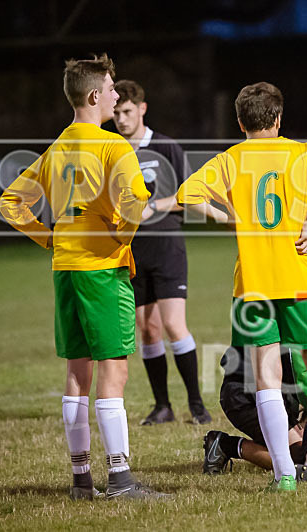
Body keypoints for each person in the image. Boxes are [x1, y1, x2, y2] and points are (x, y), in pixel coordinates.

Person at [177, 82, 307, 489]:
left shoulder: (231, 159)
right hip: (299, 278)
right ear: (279, 118)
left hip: (253, 283)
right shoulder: (303, 154)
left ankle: (285, 475)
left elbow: (187, 194)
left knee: (266, 376)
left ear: (240, 122)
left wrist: (227, 217)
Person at [0, 54, 165, 499]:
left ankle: (80, 480)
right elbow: (134, 203)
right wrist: (122, 236)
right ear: (94, 96)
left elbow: (9, 203)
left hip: (65, 270)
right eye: (111, 89)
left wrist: (47, 237)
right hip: (102, 271)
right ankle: (121, 479)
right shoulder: (113, 147)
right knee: (113, 370)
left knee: (77, 373)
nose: (116, 95)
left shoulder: (56, 147)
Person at [203, 243, 307, 474]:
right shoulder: (299, 301)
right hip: (245, 394)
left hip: (282, 392)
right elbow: (303, 371)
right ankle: (224, 444)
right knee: (302, 456)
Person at [113, 80, 211, 425]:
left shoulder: (166, 147)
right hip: (131, 250)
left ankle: (197, 405)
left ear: (142, 108)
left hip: (167, 245)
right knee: (147, 328)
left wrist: (155, 206)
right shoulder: (112, 151)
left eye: (127, 111)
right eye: (116, 112)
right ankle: (162, 407)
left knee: (172, 323)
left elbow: (189, 196)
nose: (121, 119)